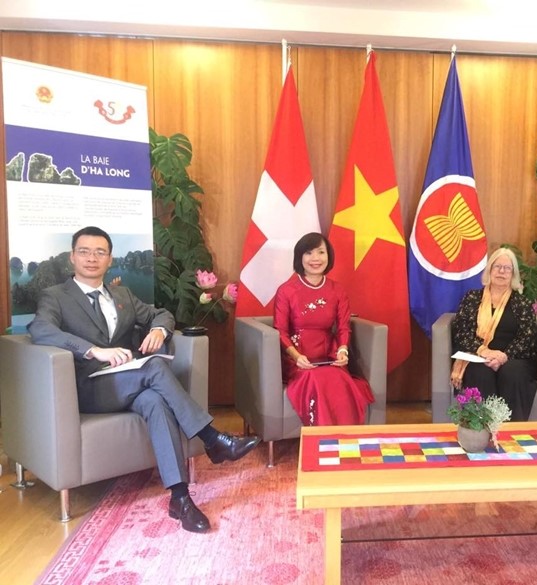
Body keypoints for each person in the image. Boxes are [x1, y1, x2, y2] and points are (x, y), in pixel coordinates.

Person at [28, 226, 260, 533]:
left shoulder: (121, 294)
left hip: (129, 383)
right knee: (153, 368)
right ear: (72, 257)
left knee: (155, 401)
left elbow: (161, 314)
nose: (92, 258)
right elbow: (41, 329)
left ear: (110, 259)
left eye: (100, 252)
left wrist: (158, 331)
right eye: (84, 251)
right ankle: (211, 438)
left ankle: (180, 498)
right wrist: (93, 350)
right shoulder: (56, 296)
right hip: (90, 387)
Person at [273, 232, 374, 425]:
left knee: (337, 376)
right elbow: (280, 331)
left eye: (321, 252)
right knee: (315, 378)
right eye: (309, 253)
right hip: (297, 358)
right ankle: (322, 437)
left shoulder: (337, 290)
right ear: (300, 257)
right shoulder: (286, 291)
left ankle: (345, 437)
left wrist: (343, 351)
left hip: (328, 356)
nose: (315, 258)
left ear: (329, 256)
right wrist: (296, 356)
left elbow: (343, 327)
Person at [450, 247, 537, 421]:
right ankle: (480, 428)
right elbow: (461, 332)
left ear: (513, 274)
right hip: (477, 355)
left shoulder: (522, 303)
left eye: (507, 268)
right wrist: (484, 351)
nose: (502, 271)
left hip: (513, 357)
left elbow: (526, 337)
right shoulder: (472, 298)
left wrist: (503, 357)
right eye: (497, 267)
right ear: (490, 270)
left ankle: (512, 430)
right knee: (480, 372)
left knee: (513, 373)